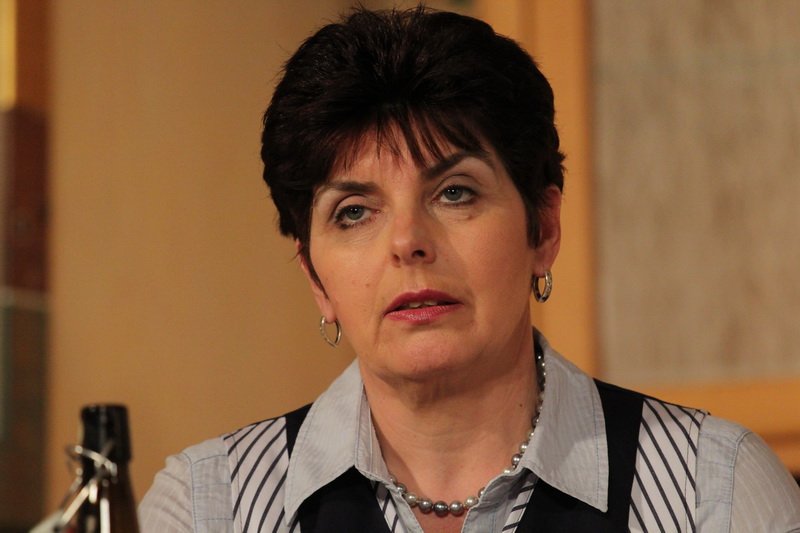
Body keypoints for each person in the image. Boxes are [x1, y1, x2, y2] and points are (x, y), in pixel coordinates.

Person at [139, 6, 800, 532]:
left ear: (543, 229)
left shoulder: (711, 489)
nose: (408, 241)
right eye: (354, 212)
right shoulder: (210, 506)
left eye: (455, 193)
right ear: (316, 278)